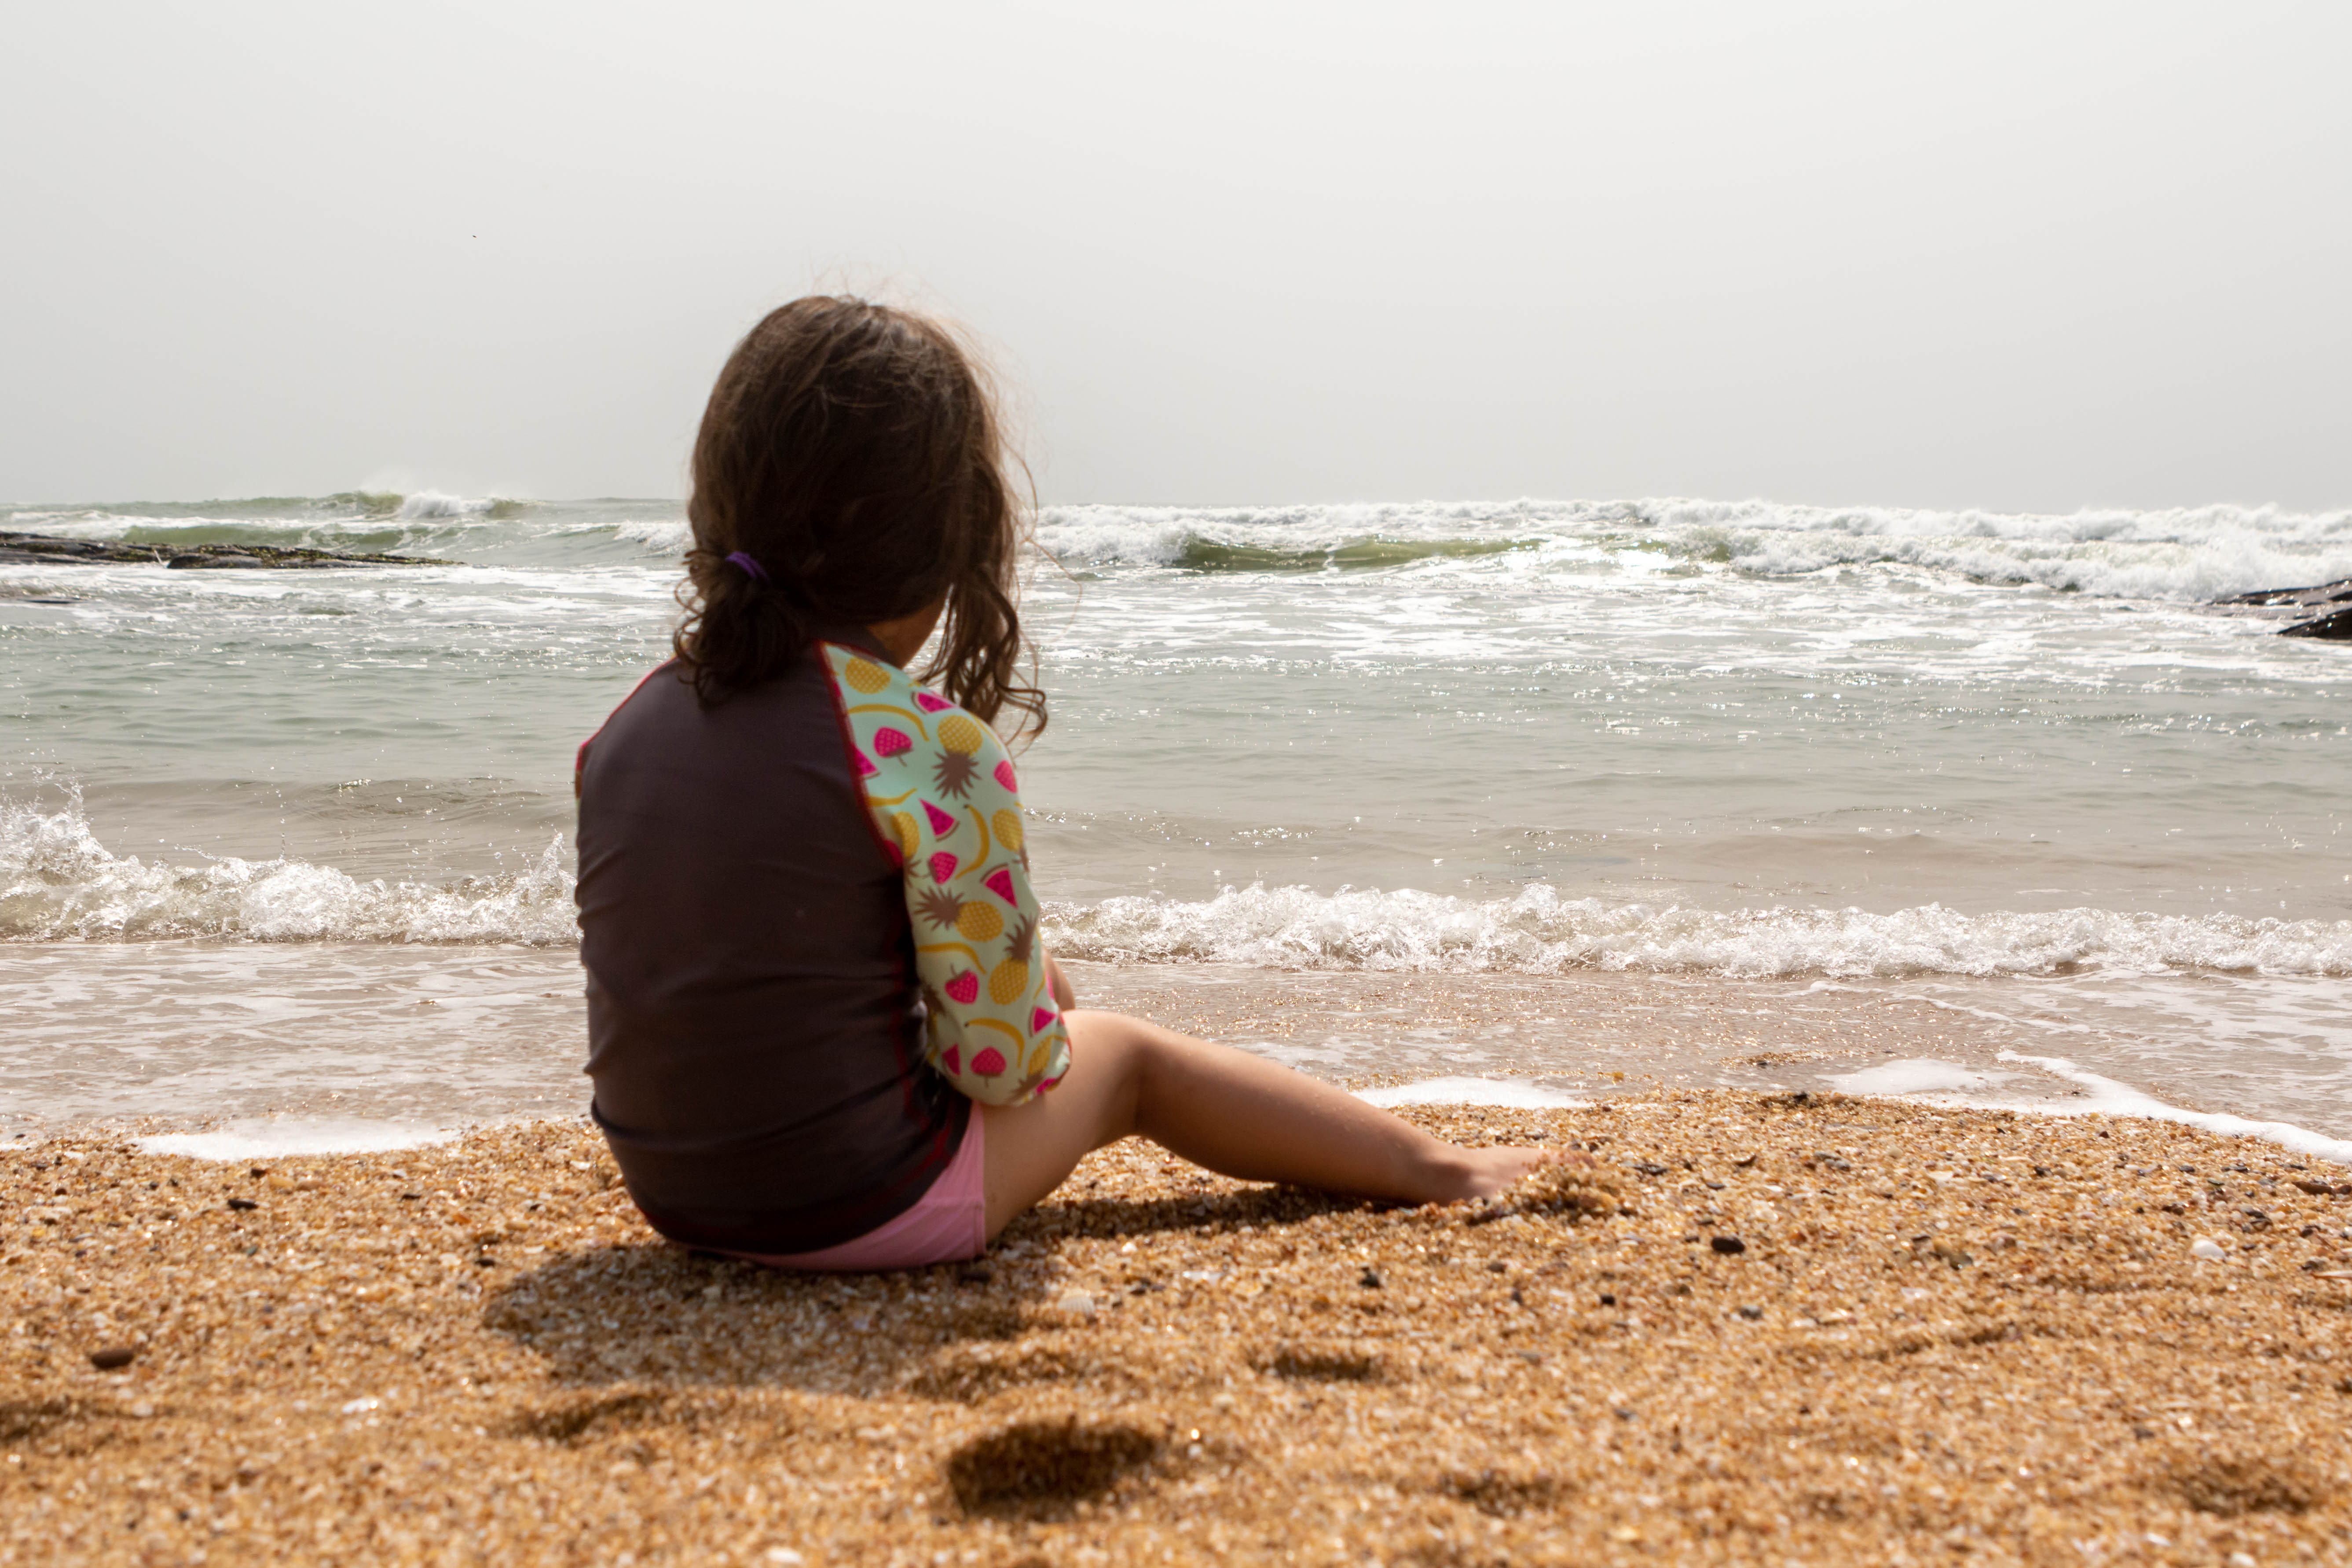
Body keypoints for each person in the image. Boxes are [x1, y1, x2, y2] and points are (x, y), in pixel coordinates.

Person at [574, 295, 1557, 1272]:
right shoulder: (922, 746)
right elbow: (1005, 1069)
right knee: (1127, 1058)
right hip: (863, 1205)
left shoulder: (627, 727)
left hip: (675, 1194)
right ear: (949, 540)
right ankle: (1437, 1167)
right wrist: (1044, 1004)